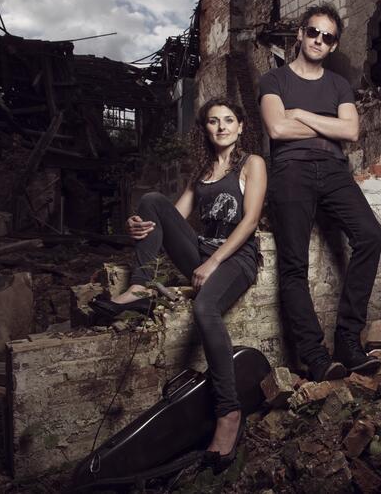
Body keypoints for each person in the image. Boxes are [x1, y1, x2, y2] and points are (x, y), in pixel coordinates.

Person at [90, 98, 267, 473]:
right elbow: (170, 219)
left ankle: (228, 412)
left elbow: (250, 221)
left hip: (236, 259)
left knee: (205, 308)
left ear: (240, 126)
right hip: (203, 252)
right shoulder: (201, 172)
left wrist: (213, 261)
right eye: (213, 121)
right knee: (152, 202)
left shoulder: (252, 164)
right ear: (204, 128)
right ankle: (140, 288)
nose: (221, 127)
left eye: (228, 120)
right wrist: (138, 226)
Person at [258, 4, 381, 382]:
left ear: (333, 46)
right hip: (290, 171)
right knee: (293, 263)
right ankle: (314, 355)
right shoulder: (273, 80)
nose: (318, 40)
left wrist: (301, 114)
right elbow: (277, 130)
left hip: (333, 171)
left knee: (370, 236)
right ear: (300, 33)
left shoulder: (338, 85)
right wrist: (327, 125)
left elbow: (351, 132)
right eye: (313, 32)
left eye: (327, 37)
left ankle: (348, 341)